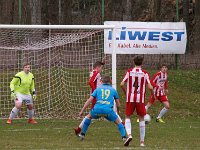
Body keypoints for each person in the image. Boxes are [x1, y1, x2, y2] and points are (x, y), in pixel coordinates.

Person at [78, 76, 131, 146]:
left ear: (101, 81)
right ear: (110, 82)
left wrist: (82, 111)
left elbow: (89, 101)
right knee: (119, 122)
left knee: (88, 117)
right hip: (108, 111)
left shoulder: (98, 89)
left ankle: (82, 134)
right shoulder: (113, 90)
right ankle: (124, 138)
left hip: (97, 110)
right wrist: (118, 112)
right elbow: (118, 104)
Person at [120, 55, 155, 147]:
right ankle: (142, 142)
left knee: (127, 116)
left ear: (133, 61)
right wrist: (153, 95)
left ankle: (130, 135)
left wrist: (126, 93)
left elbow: (121, 84)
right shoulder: (144, 73)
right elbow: (150, 86)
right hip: (140, 99)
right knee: (141, 118)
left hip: (130, 98)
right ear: (142, 62)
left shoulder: (129, 72)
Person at [74, 58, 105, 135]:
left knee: (90, 115)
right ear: (97, 67)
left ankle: (79, 129)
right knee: (92, 115)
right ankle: (121, 123)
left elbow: (94, 81)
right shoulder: (96, 73)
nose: (102, 69)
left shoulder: (94, 72)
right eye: (101, 67)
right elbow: (90, 81)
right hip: (97, 96)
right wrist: (95, 91)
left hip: (96, 95)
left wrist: (103, 63)